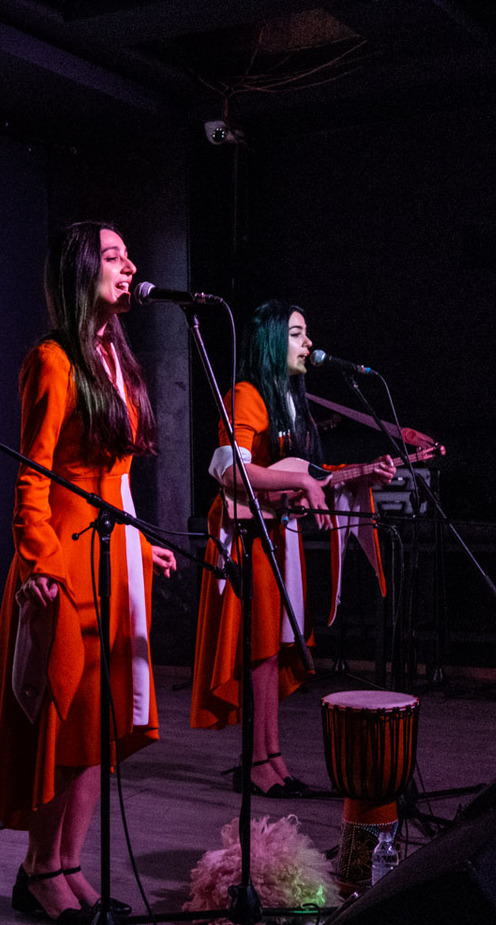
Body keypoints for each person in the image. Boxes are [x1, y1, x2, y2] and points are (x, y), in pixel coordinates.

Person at [0, 221, 176, 925]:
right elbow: (31, 477)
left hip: (113, 558)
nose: (129, 266)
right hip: (64, 563)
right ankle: (39, 870)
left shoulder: (115, 358)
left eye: (130, 255)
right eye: (113, 256)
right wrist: (39, 562)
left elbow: (114, 481)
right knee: (64, 726)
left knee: (100, 726)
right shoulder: (53, 360)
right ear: (80, 270)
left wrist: (139, 545)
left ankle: (69, 864)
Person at [189, 301, 392, 796]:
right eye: (298, 334)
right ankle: (258, 760)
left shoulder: (289, 401)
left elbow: (304, 473)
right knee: (259, 649)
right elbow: (232, 471)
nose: (309, 345)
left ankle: (271, 755)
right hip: (249, 536)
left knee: (273, 651)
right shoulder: (246, 395)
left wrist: (363, 473)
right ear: (271, 341)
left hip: (280, 534)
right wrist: (301, 485)